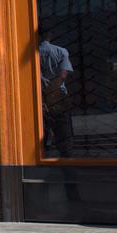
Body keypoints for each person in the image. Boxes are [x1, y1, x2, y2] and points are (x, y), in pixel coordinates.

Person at [38, 29, 74, 158]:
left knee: (42, 125)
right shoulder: (61, 51)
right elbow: (64, 74)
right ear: (50, 35)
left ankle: (43, 151)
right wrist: (53, 90)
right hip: (58, 93)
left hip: (39, 94)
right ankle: (65, 153)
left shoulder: (33, 54)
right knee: (63, 126)